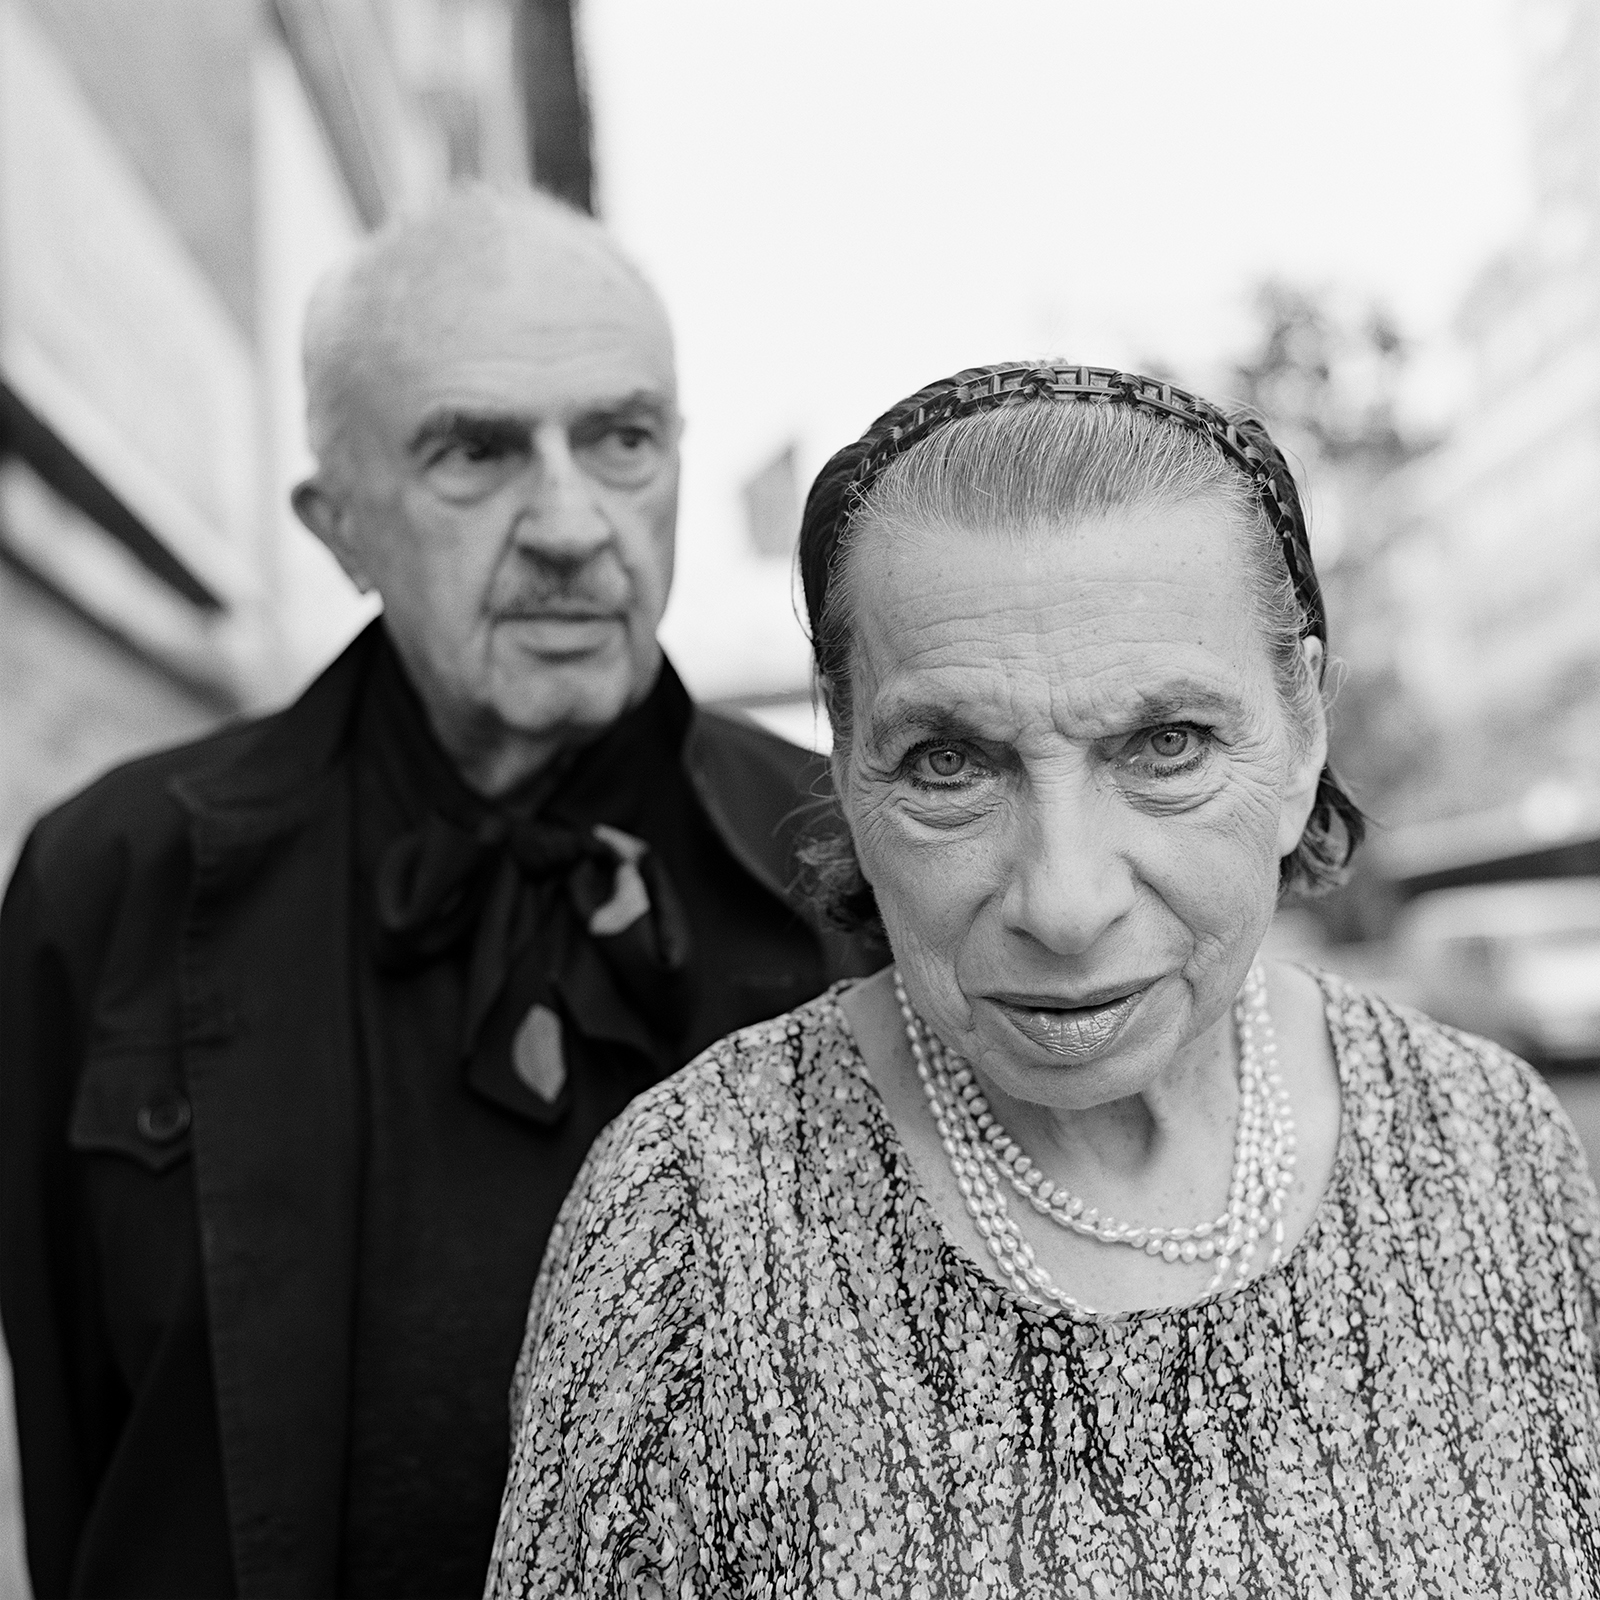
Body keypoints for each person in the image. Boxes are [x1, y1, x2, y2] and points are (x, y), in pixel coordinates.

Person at [487, 363, 1600, 1597]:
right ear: (847, 759)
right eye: (952, 762)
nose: (1064, 904)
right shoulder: (691, 1218)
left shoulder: (1489, 1146)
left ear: (1302, 733)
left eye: (1164, 745)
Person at [0, 186, 878, 1600]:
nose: (572, 525)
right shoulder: (106, 880)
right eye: (475, 451)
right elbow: (76, 1448)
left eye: (622, 436)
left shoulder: (855, 865)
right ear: (337, 523)